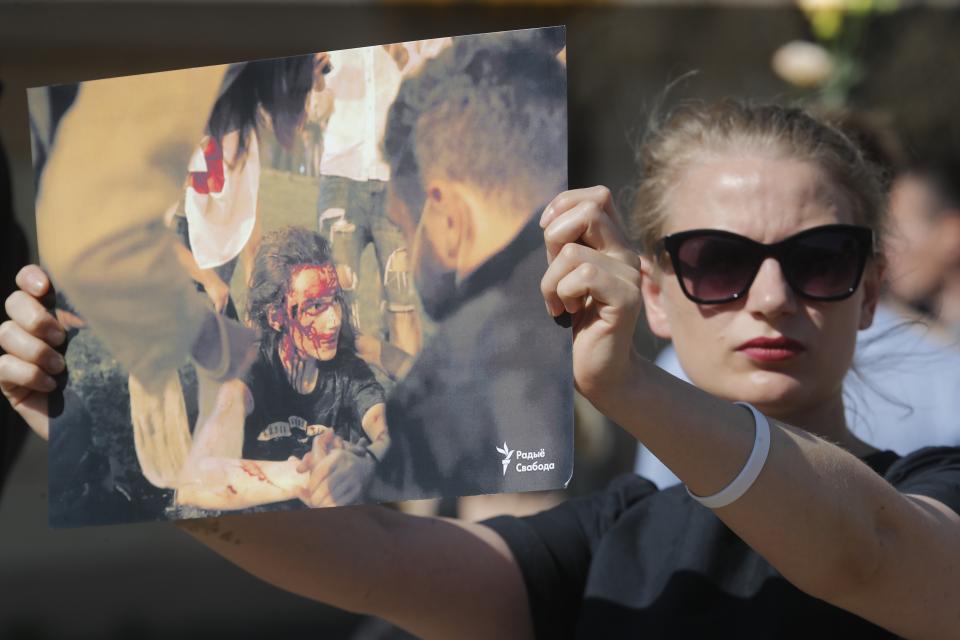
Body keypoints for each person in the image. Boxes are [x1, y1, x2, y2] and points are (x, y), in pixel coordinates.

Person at [6, 102, 960, 640]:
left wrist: (631, 385)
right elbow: (378, 562)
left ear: (871, 292)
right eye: (717, 260)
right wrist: (116, 430)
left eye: (820, 259)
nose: (769, 296)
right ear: (657, 294)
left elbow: (859, 550)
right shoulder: (616, 538)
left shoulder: (936, 495)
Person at [343, 32, 573, 503]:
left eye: (404, 229)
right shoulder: (605, 310)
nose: (407, 249)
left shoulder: (455, 373)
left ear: (447, 217)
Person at [157, 226, 389, 512]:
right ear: (277, 316)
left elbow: (390, 432)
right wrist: (303, 479)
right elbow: (192, 482)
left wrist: (366, 464)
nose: (333, 321)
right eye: (315, 306)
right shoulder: (249, 371)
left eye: (334, 302)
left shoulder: (348, 372)